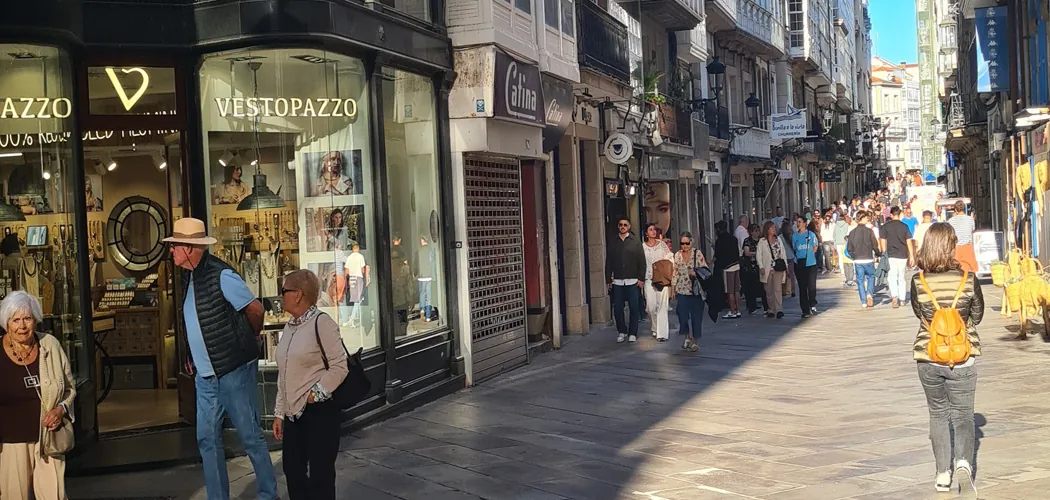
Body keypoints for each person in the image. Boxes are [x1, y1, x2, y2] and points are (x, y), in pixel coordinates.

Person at [164, 218, 278, 500]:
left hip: (233, 370)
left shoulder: (221, 275)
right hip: (206, 376)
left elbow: (255, 310)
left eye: (175, 245)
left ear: (190, 248)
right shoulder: (189, 276)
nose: (171, 251)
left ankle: (268, 494)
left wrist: (249, 339)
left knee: (249, 436)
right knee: (206, 439)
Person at [910, 223, 983, 494]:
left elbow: (920, 314)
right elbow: (977, 316)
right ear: (951, 247)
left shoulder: (918, 281)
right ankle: (963, 463)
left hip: (928, 355)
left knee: (938, 413)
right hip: (963, 355)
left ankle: (942, 473)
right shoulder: (968, 279)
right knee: (963, 415)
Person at [273, 270, 348, 500]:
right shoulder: (290, 326)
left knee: (320, 477)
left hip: (319, 414)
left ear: (298, 295)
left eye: (284, 291)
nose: (281, 296)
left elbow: (340, 366)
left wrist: (314, 394)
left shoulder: (322, 323)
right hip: (293, 415)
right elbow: (284, 373)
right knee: (293, 471)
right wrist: (279, 413)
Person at [0, 291, 75, 500]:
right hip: (10, 444)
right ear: (6, 323)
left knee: (55, 496)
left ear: (36, 320)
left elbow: (70, 388)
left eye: (27, 318)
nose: (22, 326)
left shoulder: (50, 345)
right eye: (15, 320)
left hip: (48, 441)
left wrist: (60, 409)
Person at [607, 218, 646, 343]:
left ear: (629, 226)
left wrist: (641, 278)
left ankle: (633, 332)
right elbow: (609, 261)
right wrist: (608, 279)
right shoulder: (613, 242)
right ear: (618, 226)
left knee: (634, 308)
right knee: (618, 308)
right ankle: (622, 331)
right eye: (620, 225)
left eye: (625, 225)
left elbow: (642, 261)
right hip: (618, 281)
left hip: (632, 280)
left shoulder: (635, 242)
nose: (622, 226)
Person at [671, 232, 706, 351]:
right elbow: (675, 271)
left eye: (687, 243)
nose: (685, 246)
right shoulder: (677, 255)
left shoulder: (697, 253)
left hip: (695, 291)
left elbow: (705, 270)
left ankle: (695, 341)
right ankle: (687, 336)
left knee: (696, 317)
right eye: (682, 243)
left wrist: (695, 273)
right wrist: (672, 288)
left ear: (691, 242)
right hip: (682, 290)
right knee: (682, 315)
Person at [642, 223, 673, 341]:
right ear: (646, 233)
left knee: (662, 306)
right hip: (648, 278)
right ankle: (655, 328)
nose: (653, 231)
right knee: (651, 307)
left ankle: (662, 333)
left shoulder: (662, 245)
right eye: (650, 230)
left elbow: (669, 258)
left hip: (662, 279)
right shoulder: (642, 247)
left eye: (654, 229)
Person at [881, 206, 916, 308]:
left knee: (892, 277)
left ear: (891, 215)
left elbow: (883, 241)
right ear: (900, 214)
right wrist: (911, 255)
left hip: (891, 255)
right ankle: (903, 299)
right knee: (901, 277)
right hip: (902, 255)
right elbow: (908, 241)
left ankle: (894, 297)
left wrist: (883, 253)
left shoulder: (885, 227)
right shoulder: (904, 226)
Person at [847, 210, 881, 308]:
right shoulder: (869, 231)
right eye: (866, 217)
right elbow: (875, 245)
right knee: (871, 276)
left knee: (860, 280)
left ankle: (863, 301)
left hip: (858, 260)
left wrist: (854, 256)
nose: (867, 219)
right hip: (868, 258)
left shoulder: (852, 233)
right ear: (862, 218)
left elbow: (849, 248)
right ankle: (869, 293)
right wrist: (878, 254)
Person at [756, 221, 788, 319]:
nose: (774, 229)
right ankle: (771, 309)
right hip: (767, 268)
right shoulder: (762, 241)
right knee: (769, 290)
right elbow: (759, 255)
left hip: (778, 267)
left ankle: (779, 309)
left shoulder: (778, 240)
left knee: (777, 289)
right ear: (767, 229)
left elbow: (783, 253)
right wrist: (761, 266)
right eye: (772, 228)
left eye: (774, 227)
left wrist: (785, 266)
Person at [713, 220, 741, 319]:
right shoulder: (733, 238)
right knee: (736, 289)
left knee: (730, 290)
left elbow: (718, 254)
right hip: (736, 264)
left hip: (727, 267)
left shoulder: (720, 240)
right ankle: (738, 310)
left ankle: (732, 311)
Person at [792, 216, 819, 318]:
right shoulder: (795, 236)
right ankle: (805, 309)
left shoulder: (811, 235)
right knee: (802, 287)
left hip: (810, 263)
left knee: (811, 286)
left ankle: (812, 304)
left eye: (800, 222)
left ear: (804, 223)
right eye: (797, 222)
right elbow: (794, 248)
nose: (798, 224)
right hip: (799, 263)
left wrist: (811, 254)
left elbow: (815, 246)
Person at [740, 224, 765, 314]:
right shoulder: (747, 241)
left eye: (758, 231)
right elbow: (747, 252)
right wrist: (757, 253)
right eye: (755, 231)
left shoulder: (761, 241)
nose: (757, 233)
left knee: (759, 286)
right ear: (751, 232)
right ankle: (751, 306)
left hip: (759, 266)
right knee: (750, 287)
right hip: (749, 267)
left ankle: (758, 304)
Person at [343, 243, 369, 328]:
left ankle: (352, 317)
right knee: (358, 299)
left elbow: (346, 270)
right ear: (358, 249)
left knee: (354, 299)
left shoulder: (349, 257)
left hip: (352, 278)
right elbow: (363, 270)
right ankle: (352, 318)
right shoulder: (360, 257)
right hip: (358, 278)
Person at [948, 200, 978, 272]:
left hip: (956, 248)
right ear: (964, 209)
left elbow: (949, 233)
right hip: (967, 247)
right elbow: (972, 229)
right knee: (970, 269)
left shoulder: (950, 221)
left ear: (955, 210)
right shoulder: (970, 219)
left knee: (957, 270)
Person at [417, 235, 436, 322]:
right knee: (429, 296)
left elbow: (416, 264)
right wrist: (434, 276)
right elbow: (433, 264)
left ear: (422, 241)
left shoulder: (418, 252)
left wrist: (415, 274)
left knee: (422, 294)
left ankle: (422, 309)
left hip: (421, 276)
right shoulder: (430, 251)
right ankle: (428, 316)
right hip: (429, 276)